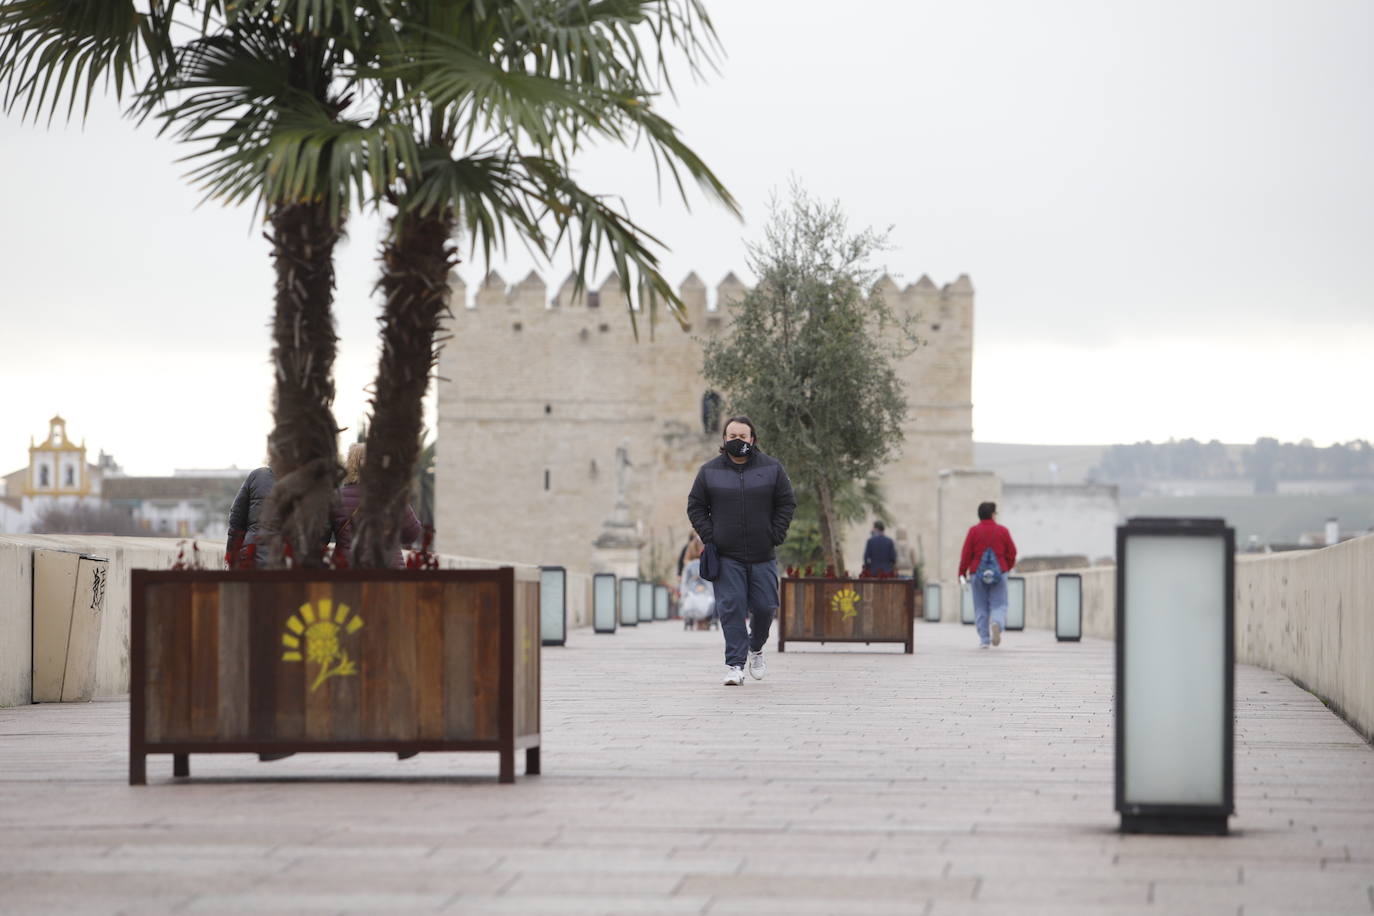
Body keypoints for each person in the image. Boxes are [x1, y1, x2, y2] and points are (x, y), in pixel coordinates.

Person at [686, 416, 796, 686]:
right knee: (731, 607)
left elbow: (786, 502)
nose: (737, 441)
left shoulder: (772, 469)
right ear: (724, 440)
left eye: (742, 436)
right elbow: (696, 506)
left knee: (765, 606)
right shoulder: (709, 471)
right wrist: (711, 536)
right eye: (732, 436)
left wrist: (776, 533)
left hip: (763, 554)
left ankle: (755, 649)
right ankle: (735, 665)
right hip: (727, 556)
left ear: (752, 439)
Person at [331, 443, 423, 568]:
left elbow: (320, 538)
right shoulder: (393, 495)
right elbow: (412, 534)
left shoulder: (336, 497)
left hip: (349, 569)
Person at [958, 501, 1017, 649]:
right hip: (999, 572)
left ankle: (984, 639)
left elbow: (966, 554)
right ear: (992, 514)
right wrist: (1006, 568)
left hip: (977, 572)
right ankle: (997, 623)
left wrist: (962, 573)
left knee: (980, 606)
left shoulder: (973, 531)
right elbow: (1012, 552)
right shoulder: (1003, 531)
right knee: (999, 604)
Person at [226, 462, 275, 568]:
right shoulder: (310, 482)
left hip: (253, 559)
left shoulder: (257, 476)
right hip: (291, 565)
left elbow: (236, 520)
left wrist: (231, 558)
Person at [678, 532, 716, 630]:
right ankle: (703, 619)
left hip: (703, 587)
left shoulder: (692, 564)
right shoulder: (692, 565)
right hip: (696, 587)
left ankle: (704, 619)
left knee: (706, 598)